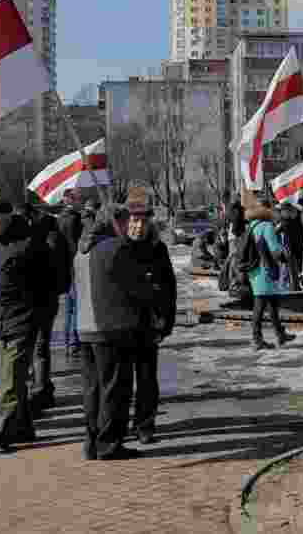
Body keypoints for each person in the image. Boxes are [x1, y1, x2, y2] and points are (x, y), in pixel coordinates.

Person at [0, 191, 51, 453]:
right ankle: (24, 428)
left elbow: (48, 283)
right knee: (10, 380)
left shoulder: (29, 243)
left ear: (8, 217)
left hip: (22, 321)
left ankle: (2, 431)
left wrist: (39, 317)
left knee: (10, 381)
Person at [76, 202, 144, 460]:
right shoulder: (116, 248)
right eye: (127, 222)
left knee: (93, 389)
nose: (129, 227)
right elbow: (135, 286)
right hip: (112, 327)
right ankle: (109, 444)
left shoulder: (82, 250)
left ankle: (92, 442)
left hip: (85, 327)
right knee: (114, 389)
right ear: (117, 222)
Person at [123, 191, 176, 445]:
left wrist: (166, 321)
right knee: (122, 379)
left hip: (148, 324)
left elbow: (169, 288)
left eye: (143, 221)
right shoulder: (118, 247)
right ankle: (120, 422)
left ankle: (145, 424)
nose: (138, 226)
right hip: (121, 323)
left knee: (146, 378)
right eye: (134, 221)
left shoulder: (158, 249)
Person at [29, 212, 70, 417]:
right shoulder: (59, 241)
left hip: (36, 299)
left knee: (37, 347)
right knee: (42, 345)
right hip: (50, 299)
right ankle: (43, 386)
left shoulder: (35, 244)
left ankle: (40, 388)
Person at [246, 195, 296, 351]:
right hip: (265, 270)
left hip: (254, 269)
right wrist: (285, 255)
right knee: (260, 305)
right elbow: (274, 250)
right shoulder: (266, 226)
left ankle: (280, 334)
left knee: (272, 302)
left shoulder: (252, 225)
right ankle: (256, 339)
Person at [57, 200, 84, 353]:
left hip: (64, 266)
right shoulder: (76, 220)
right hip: (75, 264)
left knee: (68, 308)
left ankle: (67, 340)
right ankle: (74, 341)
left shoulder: (59, 219)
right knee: (76, 306)